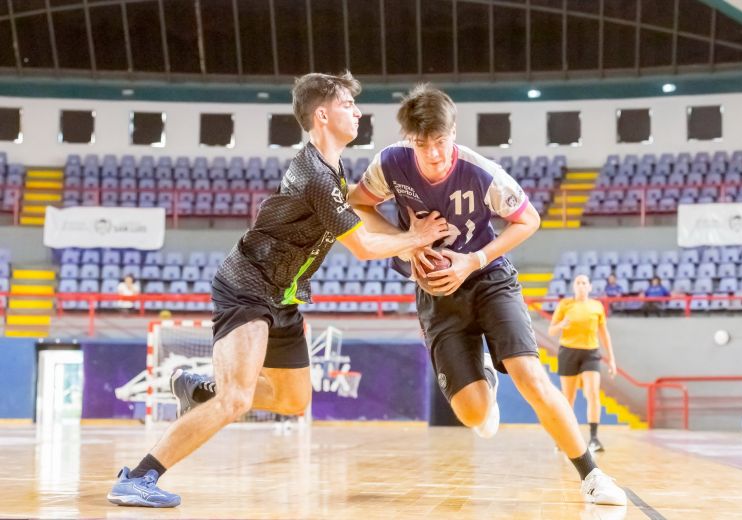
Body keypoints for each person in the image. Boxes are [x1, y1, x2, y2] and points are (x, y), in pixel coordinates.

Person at [107, 72, 450, 508]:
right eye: (348, 104)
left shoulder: (332, 170)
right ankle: (138, 477)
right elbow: (363, 247)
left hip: (283, 296)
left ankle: (202, 388)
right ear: (322, 115)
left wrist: (406, 243)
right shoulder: (317, 177)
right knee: (238, 399)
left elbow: (362, 229)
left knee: (293, 400)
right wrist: (416, 238)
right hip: (248, 287)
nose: (359, 111)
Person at [347, 84, 626, 506]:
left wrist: (473, 260)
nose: (434, 154)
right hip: (436, 291)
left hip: (488, 279)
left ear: (453, 133)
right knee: (475, 415)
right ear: (409, 141)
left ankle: (591, 474)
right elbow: (358, 204)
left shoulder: (482, 173)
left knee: (531, 377)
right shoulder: (390, 165)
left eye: (440, 142)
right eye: (423, 145)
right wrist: (409, 240)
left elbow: (528, 220)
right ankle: (484, 374)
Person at [547, 275, 618, 453]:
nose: (581, 285)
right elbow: (551, 330)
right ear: (574, 286)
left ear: (590, 287)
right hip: (568, 352)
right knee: (568, 398)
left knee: (592, 392)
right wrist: (562, 324)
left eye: (584, 283)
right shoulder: (565, 304)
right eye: (577, 282)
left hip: (591, 353)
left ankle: (594, 438)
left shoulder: (597, 306)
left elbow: (604, 334)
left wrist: (611, 359)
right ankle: (565, 439)